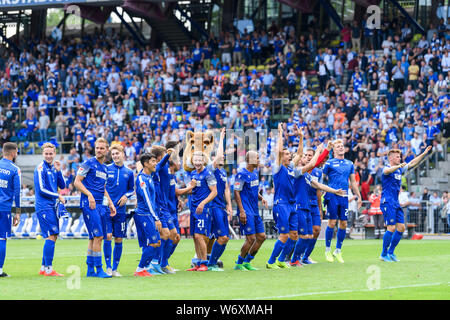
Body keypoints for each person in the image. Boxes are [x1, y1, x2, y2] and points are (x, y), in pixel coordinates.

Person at [291, 138, 346, 266]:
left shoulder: (315, 172)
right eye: (306, 155)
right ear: (301, 158)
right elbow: (315, 163)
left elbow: (318, 188)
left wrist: (321, 208)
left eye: (311, 155)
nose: (309, 158)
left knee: (315, 230)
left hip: (313, 203)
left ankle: (305, 257)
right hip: (300, 203)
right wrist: (325, 150)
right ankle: (292, 257)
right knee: (299, 234)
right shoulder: (302, 170)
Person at [74, 138, 117, 278]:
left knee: (93, 238)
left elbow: (103, 188)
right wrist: (89, 195)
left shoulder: (105, 168)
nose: (99, 150)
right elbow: (77, 182)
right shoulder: (88, 163)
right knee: (98, 236)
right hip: (90, 204)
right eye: (97, 148)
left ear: (107, 150)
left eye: (102, 148)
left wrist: (110, 203)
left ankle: (90, 269)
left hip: (101, 205)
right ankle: (99, 269)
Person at [380, 146, 432, 262]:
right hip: (387, 201)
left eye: (400, 156)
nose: (400, 158)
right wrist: (398, 166)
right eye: (397, 157)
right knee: (391, 227)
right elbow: (386, 171)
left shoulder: (400, 169)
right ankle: (383, 254)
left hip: (395, 202)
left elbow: (412, 162)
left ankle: (391, 252)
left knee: (401, 227)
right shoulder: (387, 168)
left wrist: (423, 154)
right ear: (391, 158)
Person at [323, 139, 362, 263]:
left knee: (344, 224)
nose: (340, 147)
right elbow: (321, 178)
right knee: (332, 222)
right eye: (338, 146)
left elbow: (353, 182)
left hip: (344, 197)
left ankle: (338, 250)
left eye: (342, 146)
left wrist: (359, 196)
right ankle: (328, 249)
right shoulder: (329, 163)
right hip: (332, 195)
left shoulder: (349, 164)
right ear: (333, 149)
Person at [266, 123, 297, 269]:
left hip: (291, 204)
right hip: (281, 204)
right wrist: (280, 132)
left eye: (288, 153)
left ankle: (281, 259)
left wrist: (301, 138)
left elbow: (300, 156)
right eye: (286, 153)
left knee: (294, 235)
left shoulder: (290, 169)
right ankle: (271, 261)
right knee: (284, 235)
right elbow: (279, 151)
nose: (288, 155)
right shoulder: (278, 168)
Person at [34, 142, 66, 277]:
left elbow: (62, 185)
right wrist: (57, 195)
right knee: (51, 236)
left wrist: (59, 171)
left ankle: (43, 267)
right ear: (43, 154)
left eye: (51, 153)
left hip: (51, 206)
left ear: (54, 154)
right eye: (46, 153)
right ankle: (48, 269)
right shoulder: (40, 168)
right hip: (44, 206)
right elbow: (41, 190)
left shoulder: (53, 167)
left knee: (53, 236)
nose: (48, 156)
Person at [103, 144, 135, 277]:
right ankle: (108, 267)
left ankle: (115, 269)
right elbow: (102, 186)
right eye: (113, 154)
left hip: (121, 210)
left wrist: (126, 196)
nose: (115, 156)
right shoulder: (106, 169)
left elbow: (131, 189)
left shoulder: (129, 172)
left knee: (119, 239)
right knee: (108, 236)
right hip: (107, 209)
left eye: (118, 153)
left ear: (123, 153)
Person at [234, 150, 267, 271]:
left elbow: (253, 189)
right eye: (257, 158)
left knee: (262, 236)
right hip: (246, 210)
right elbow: (236, 192)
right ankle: (238, 263)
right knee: (251, 239)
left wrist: (261, 197)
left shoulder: (255, 173)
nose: (259, 160)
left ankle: (247, 262)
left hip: (255, 210)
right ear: (250, 160)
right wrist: (241, 211)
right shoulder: (241, 174)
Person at [186, 150, 217, 271]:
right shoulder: (193, 173)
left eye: (200, 160)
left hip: (203, 209)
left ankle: (204, 263)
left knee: (200, 236)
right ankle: (198, 263)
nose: (197, 162)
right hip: (193, 209)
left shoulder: (208, 174)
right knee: (194, 236)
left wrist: (203, 203)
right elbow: (191, 190)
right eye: (196, 160)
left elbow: (214, 192)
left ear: (203, 161)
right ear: (193, 161)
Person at [207, 128, 232, 271]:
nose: (223, 157)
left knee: (221, 237)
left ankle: (211, 260)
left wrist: (229, 204)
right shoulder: (213, 169)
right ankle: (211, 263)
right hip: (213, 206)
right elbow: (218, 156)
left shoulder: (223, 172)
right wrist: (221, 138)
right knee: (222, 237)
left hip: (221, 206)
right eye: (220, 156)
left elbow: (227, 188)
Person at [133, 152, 162, 277]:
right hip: (144, 215)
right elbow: (147, 200)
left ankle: (145, 267)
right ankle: (140, 269)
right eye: (153, 161)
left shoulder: (150, 176)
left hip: (148, 215)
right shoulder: (141, 179)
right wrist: (156, 218)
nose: (155, 164)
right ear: (145, 164)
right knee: (154, 242)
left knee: (156, 242)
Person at [0, 143, 21, 277]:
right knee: (2, 239)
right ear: (13, 153)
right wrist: (18, 212)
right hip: (4, 208)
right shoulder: (14, 169)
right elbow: (17, 192)